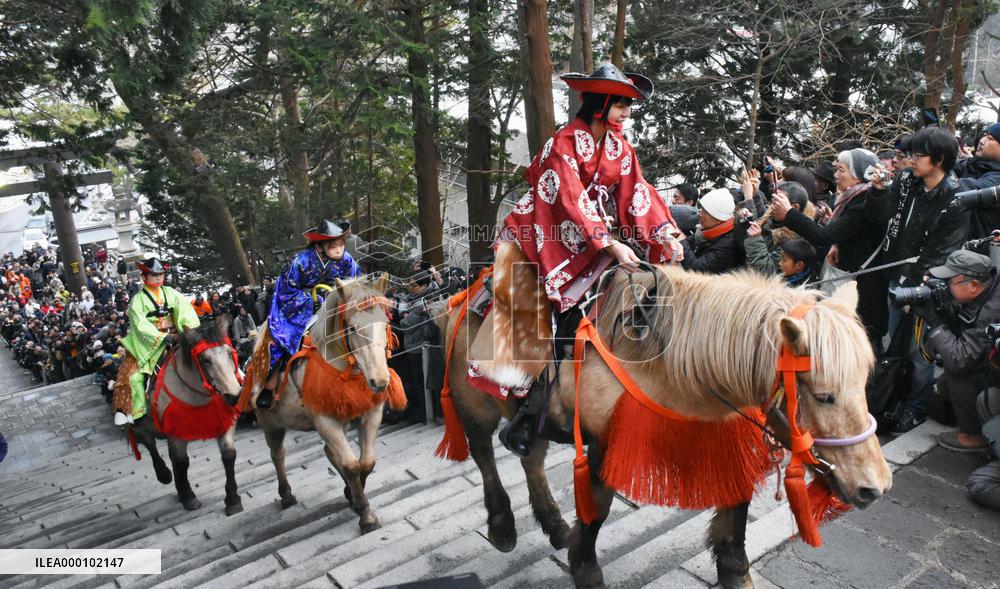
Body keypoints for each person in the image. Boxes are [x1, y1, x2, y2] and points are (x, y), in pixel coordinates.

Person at [472, 63, 683, 456]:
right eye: (620, 103)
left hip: (591, 240)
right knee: (536, 307)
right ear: (600, 102)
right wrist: (609, 243)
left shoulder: (621, 148)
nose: (626, 112)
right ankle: (526, 407)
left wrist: (663, 233)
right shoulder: (562, 143)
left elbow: (636, 194)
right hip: (543, 234)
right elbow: (569, 200)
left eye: (628, 105)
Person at [867, 126, 970, 434]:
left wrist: (914, 291)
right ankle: (889, 401)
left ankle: (914, 407)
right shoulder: (907, 181)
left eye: (917, 154)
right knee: (892, 346)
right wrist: (879, 192)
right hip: (894, 275)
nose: (910, 159)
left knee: (919, 353)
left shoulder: (955, 197)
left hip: (925, 286)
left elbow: (941, 253)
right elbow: (885, 220)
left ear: (938, 159)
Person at [774, 148, 888, 348]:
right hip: (854, 279)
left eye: (841, 170)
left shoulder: (862, 203)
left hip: (864, 291)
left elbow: (823, 235)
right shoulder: (854, 197)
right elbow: (844, 234)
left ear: (859, 175)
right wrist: (838, 243)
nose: (835, 175)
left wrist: (789, 214)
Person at [257, 219, 363, 408]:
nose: (339, 250)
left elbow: (356, 282)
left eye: (341, 244)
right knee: (283, 339)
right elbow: (286, 291)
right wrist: (313, 300)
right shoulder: (300, 260)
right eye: (333, 245)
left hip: (336, 304)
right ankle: (269, 386)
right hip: (299, 307)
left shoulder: (347, 260)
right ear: (320, 245)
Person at [909, 250, 1000, 452]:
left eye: (949, 282)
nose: (945, 287)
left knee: (958, 372)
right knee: (943, 390)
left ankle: (973, 435)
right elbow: (965, 326)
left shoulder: (991, 311)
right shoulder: (988, 288)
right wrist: (943, 308)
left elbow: (960, 359)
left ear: (973, 286)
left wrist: (935, 321)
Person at [114, 257, 200, 425]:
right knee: (133, 376)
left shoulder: (172, 293)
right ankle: (137, 412)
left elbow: (185, 313)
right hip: (149, 343)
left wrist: (185, 333)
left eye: (160, 274)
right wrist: (161, 337)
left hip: (177, 337)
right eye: (154, 275)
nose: (158, 278)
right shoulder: (137, 300)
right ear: (144, 277)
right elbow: (140, 325)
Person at [743, 181, 814, 276]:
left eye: (778, 201)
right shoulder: (770, 218)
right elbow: (743, 244)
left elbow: (766, 271)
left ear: (794, 207)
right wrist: (743, 220)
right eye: (773, 200)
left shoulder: (798, 239)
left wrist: (755, 239)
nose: (772, 206)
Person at [953, 122, 1000, 240]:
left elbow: (964, 188)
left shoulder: (996, 180)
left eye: (990, 138)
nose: (982, 140)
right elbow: (948, 164)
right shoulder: (976, 164)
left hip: (980, 253)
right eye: (985, 135)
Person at [681, 188, 744, 273]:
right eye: (701, 208)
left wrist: (680, 241)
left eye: (705, 212)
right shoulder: (707, 231)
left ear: (719, 218)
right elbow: (688, 242)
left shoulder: (727, 245)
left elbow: (696, 269)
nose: (700, 214)